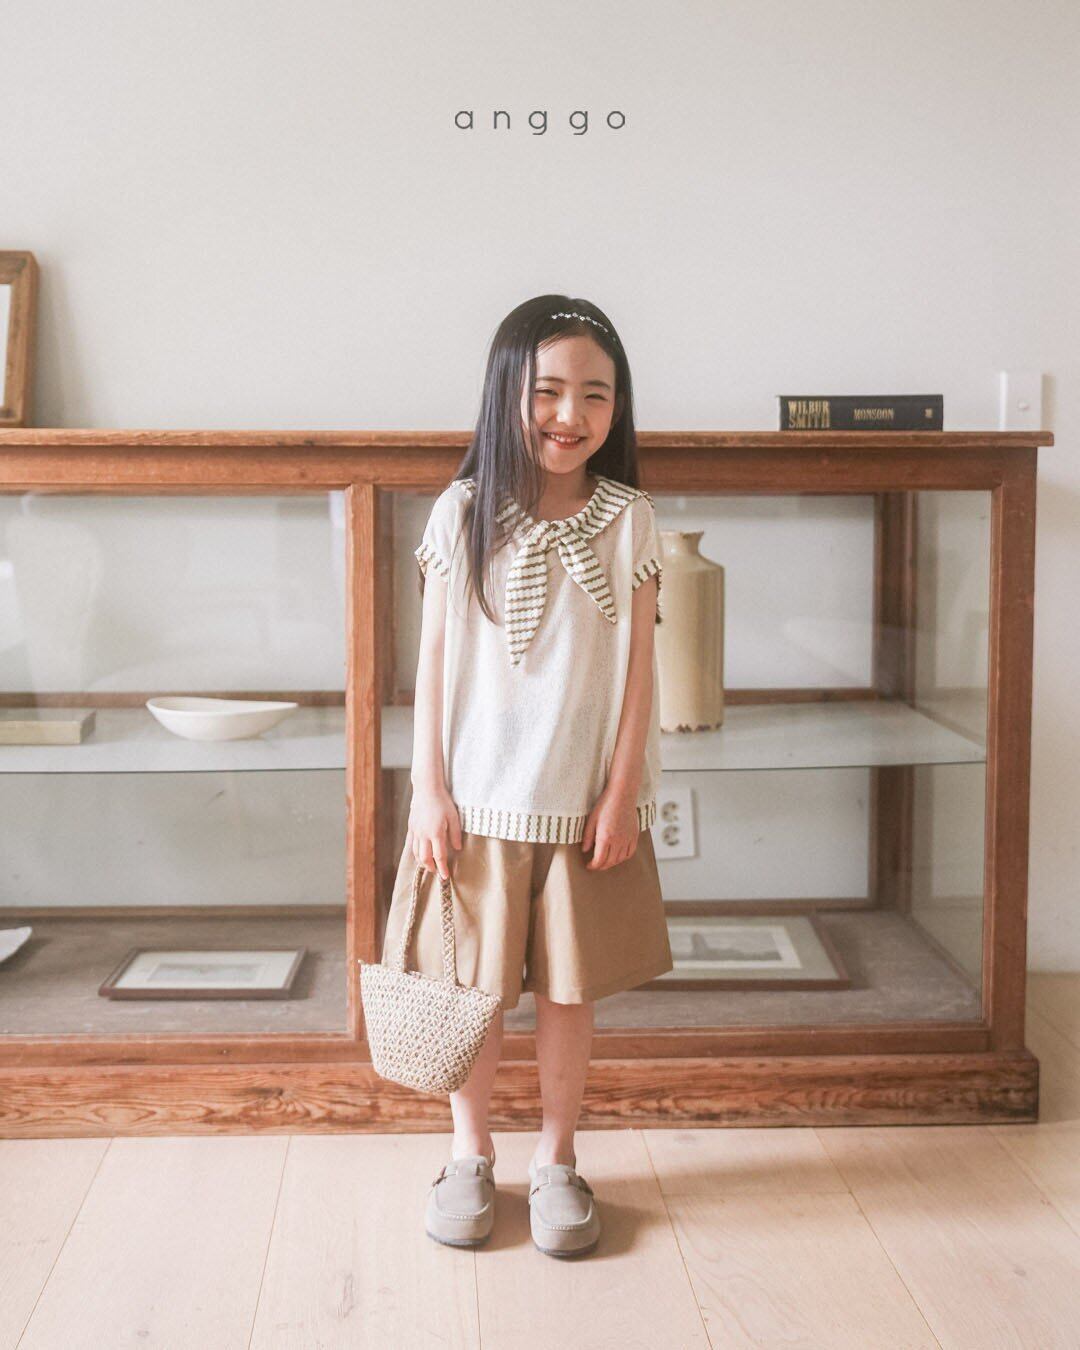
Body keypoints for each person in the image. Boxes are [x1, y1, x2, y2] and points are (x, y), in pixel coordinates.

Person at [382, 294, 673, 1258]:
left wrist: (622, 792)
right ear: (507, 392)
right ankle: (468, 1154)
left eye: (596, 395)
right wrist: (428, 791)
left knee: (568, 995)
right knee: (467, 993)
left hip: (579, 810)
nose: (569, 415)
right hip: (473, 807)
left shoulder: (630, 521)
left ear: (618, 408)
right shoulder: (463, 511)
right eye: (548, 391)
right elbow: (431, 663)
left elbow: (640, 672)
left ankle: (557, 1158)